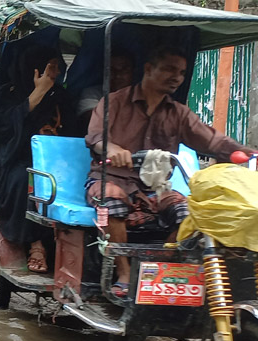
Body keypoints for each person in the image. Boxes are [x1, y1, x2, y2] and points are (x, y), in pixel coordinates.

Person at [84, 44, 256, 297]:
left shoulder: (179, 113)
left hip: (155, 188)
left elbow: (211, 141)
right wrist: (111, 149)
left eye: (182, 73)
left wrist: (248, 153)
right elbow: (96, 137)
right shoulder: (113, 102)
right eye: (169, 70)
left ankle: (162, 268)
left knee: (190, 212)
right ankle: (124, 272)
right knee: (112, 201)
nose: (176, 77)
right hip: (111, 178)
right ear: (149, 69)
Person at [0, 45, 68, 273]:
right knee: (27, 180)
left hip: (59, 160)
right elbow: (6, 131)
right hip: (18, 159)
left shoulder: (61, 96)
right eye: (47, 67)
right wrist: (38, 93)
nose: (53, 72)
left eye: (56, 67)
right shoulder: (9, 93)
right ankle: (36, 244)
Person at [76, 50, 135, 131]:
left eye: (124, 70)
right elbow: (94, 122)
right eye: (112, 70)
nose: (118, 75)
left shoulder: (141, 95)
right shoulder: (92, 94)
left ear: (133, 72)